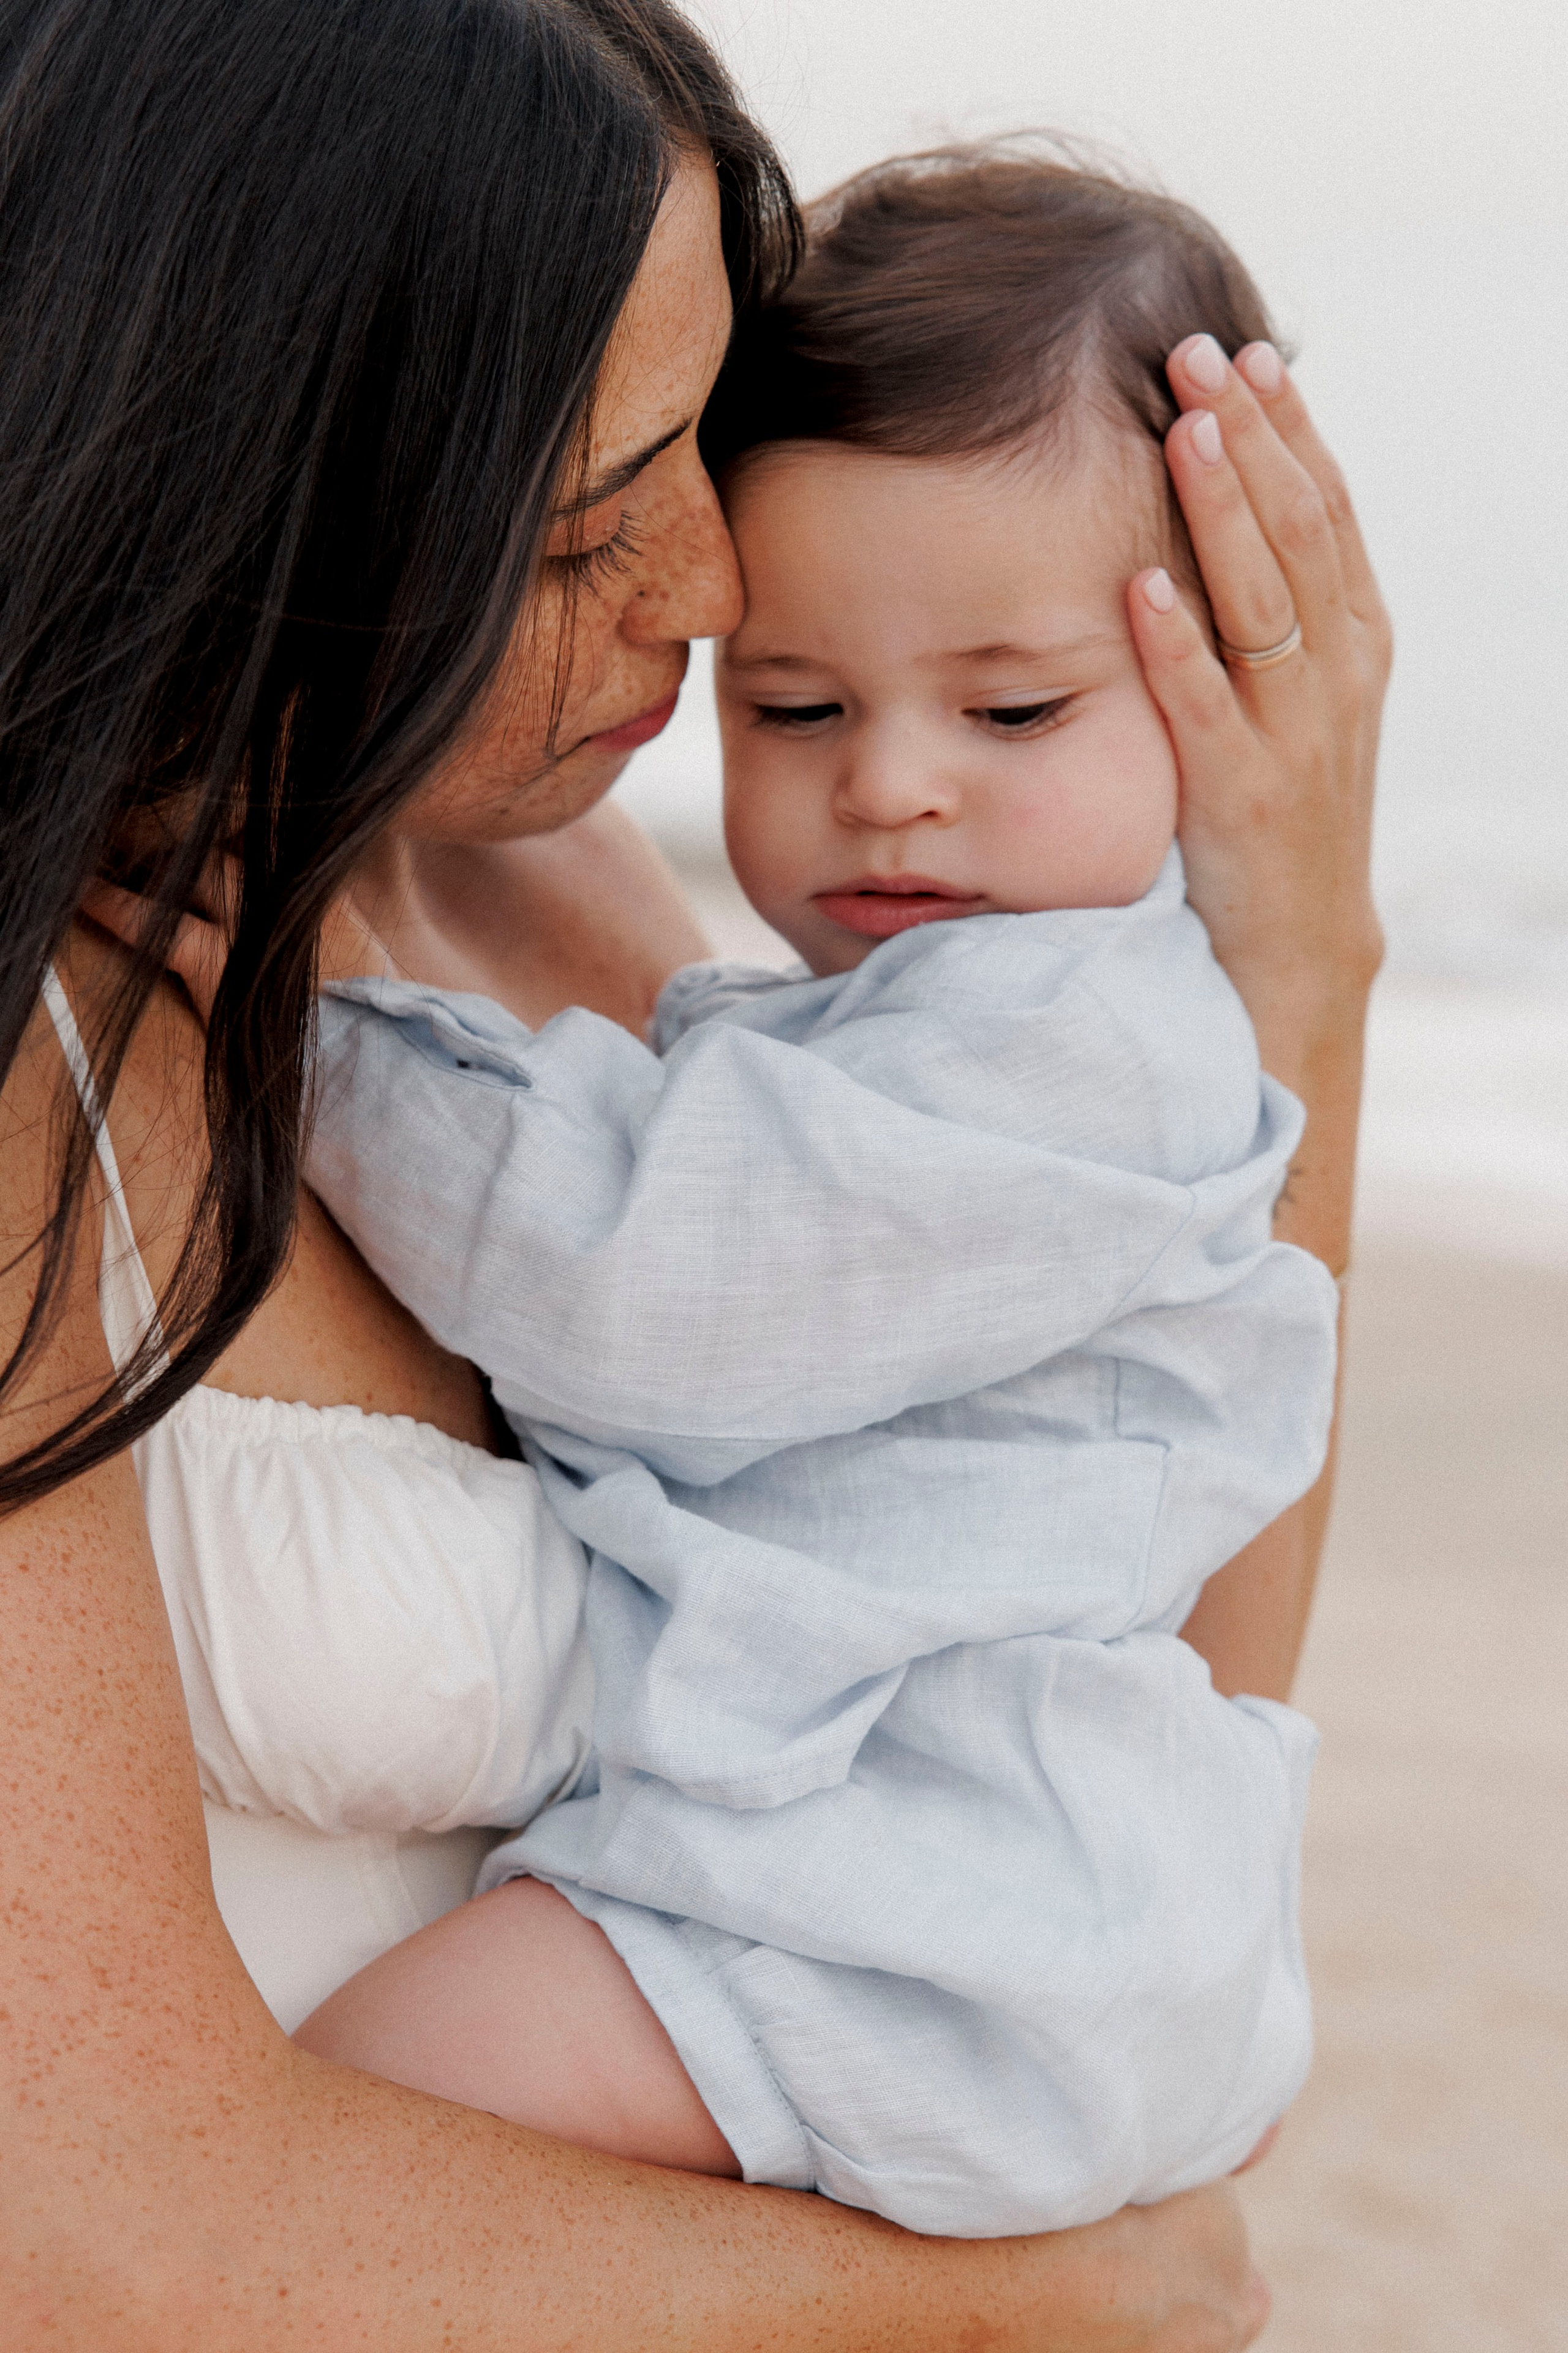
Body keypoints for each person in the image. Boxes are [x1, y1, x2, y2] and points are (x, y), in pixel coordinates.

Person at [0, 0, 1389, 2344]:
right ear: (271, 473)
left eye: (706, 428)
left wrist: (1303, 966)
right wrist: (1040, 2307)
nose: (720, 581)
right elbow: (98, 2233)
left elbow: (1112, 1602)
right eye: (589, 503)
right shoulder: (43, 1051)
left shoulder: (569, 911)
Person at [284, 149, 1340, 2238]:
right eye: (794, 706)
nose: (890, 782)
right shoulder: (883, 1033)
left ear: (1222, 683)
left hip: (931, 1917)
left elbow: (633, 1281)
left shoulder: (1078, 1043)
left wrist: (314, 1041)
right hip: (991, 1911)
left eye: (1011, 707)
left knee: (350, 2122)